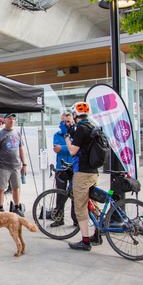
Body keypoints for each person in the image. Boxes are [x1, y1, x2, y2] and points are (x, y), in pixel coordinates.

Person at [64, 102, 100, 251]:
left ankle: (85, 241)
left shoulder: (82, 129)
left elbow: (73, 151)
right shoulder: (93, 126)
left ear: (75, 115)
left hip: (82, 172)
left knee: (80, 207)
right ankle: (98, 233)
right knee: (91, 202)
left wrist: (67, 138)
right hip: (93, 171)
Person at [0, 113, 27, 216]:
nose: (12, 120)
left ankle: (16, 207)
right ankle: (1, 208)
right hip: (3, 166)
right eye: (9, 118)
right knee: (1, 188)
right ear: (5, 120)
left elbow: (21, 149)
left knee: (16, 187)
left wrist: (24, 164)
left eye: (13, 118)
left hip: (16, 166)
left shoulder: (17, 133)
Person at [50, 112, 77, 227]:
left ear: (72, 121)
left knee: (75, 194)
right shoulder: (57, 134)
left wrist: (63, 147)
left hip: (74, 167)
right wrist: (68, 147)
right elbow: (56, 149)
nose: (66, 124)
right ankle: (59, 218)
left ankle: (76, 219)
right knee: (60, 194)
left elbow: (75, 148)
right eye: (63, 121)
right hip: (61, 168)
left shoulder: (76, 134)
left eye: (68, 121)